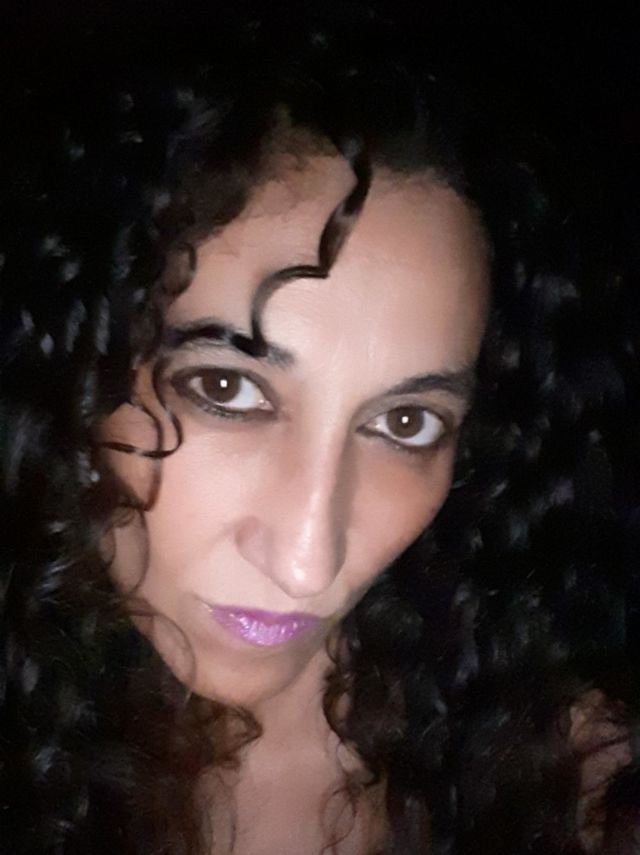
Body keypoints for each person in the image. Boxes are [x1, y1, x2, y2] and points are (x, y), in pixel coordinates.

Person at [0, 4, 630, 854]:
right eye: (225, 388)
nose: (308, 561)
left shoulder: (574, 782)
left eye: (406, 421)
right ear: (76, 371)